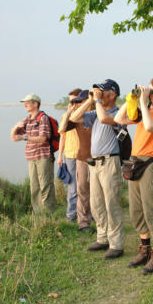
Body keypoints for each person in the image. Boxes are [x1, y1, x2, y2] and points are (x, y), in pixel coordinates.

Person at [115, 76, 153, 274]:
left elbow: (149, 127)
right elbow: (118, 119)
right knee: (136, 211)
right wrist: (131, 98)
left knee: (152, 209)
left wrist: (143, 100)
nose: (149, 94)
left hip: (151, 164)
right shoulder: (145, 112)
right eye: (148, 90)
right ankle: (144, 249)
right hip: (135, 163)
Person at [69, 79, 125, 259]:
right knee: (97, 202)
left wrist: (98, 101)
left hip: (110, 162)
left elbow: (103, 118)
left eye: (103, 91)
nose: (99, 93)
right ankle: (102, 238)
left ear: (112, 94)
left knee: (111, 203)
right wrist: (89, 100)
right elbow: (73, 118)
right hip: (95, 163)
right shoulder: (95, 110)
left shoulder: (118, 112)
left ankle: (116, 244)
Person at [10, 93, 56, 213]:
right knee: (34, 187)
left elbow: (43, 138)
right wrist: (15, 127)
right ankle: (38, 214)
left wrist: (25, 137)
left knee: (45, 185)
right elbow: (14, 138)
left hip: (43, 156)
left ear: (35, 104)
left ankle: (49, 213)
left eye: (27, 102)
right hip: (31, 157)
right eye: (24, 103)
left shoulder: (42, 118)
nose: (25, 105)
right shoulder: (28, 119)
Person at [57, 89, 94, 233]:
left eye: (77, 100)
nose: (74, 103)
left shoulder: (93, 114)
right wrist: (60, 155)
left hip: (91, 156)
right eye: (72, 101)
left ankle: (93, 216)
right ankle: (76, 218)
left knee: (93, 190)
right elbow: (62, 132)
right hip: (75, 156)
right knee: (77, 189)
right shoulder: (73, 117)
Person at [57, 89, 80, 222]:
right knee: (72, 187)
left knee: (86, 186)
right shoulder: (65, 116)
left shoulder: (86, 114)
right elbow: (62, 137)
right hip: (70, 155)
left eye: (74, 100)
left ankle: (88, 215)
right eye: (70, 101)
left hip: (84, 155)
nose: (71, 103)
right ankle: (71, 216)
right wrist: (60, 155)